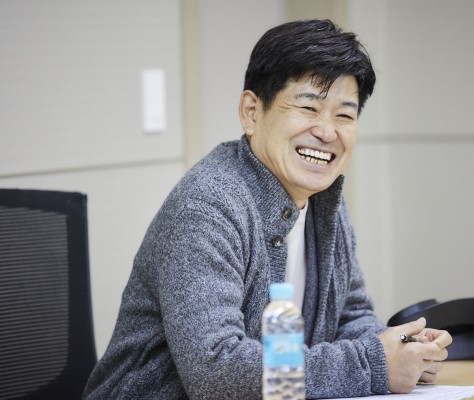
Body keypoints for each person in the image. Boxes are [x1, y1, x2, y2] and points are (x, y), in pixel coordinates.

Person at [83, 19, 452, 399]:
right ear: (251, 112)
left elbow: (349, 316)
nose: (327, 132)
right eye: (308, 107)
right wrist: (372, 363)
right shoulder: (207, 207)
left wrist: (404, 351)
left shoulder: (324, 200)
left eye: (344, 115)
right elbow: (216, 371)